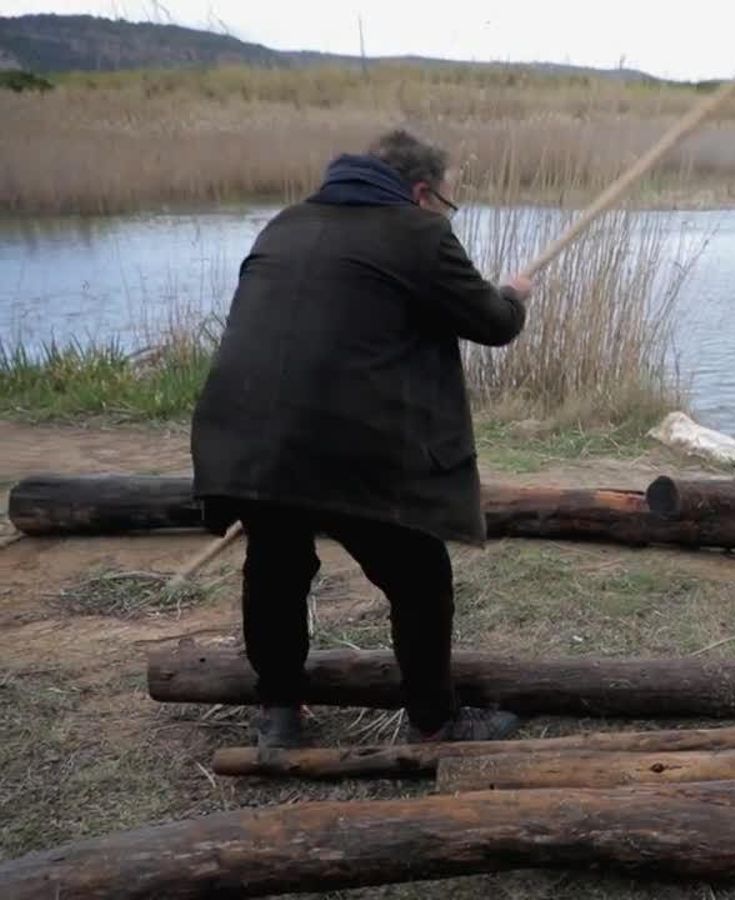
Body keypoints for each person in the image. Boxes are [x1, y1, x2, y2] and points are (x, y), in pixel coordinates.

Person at [191, 129, 533, 749]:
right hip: (345, 445)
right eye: (446, 203)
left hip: (244, 438)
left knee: (276, 565)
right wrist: (514, 295)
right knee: (418, 575)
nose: (443, 215)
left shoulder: (285, 224)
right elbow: (493, 322)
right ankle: (434, 720)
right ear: (422, 192)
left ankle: (280, 716)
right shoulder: (418, 231)